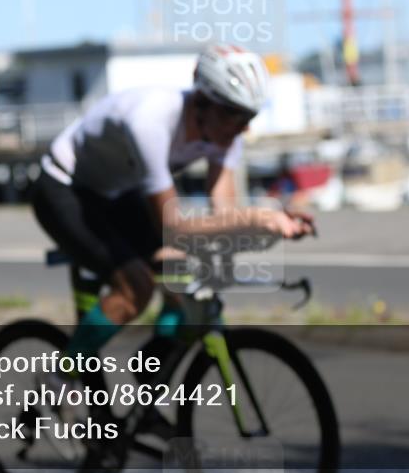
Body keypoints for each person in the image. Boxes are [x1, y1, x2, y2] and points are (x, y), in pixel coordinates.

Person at [30, 44, 315, 366]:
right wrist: (257, 218)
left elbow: (224, 217)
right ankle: (59, 379)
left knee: (183, 283)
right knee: (135, 287)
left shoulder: (225, 134)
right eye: (236, 115)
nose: (243, 128)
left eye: (250, 117)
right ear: (204, 102)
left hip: (117, 190)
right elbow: (174, 227)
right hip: (64, 187)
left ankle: (147, 387)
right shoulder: (150, 119)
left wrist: (272, 226)